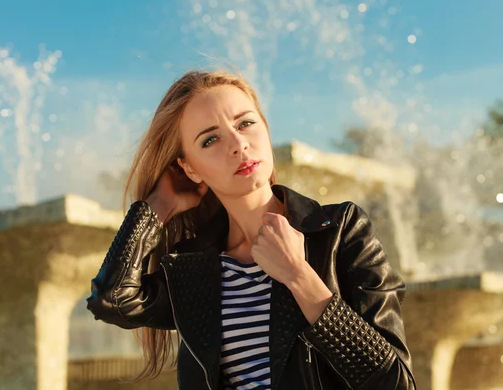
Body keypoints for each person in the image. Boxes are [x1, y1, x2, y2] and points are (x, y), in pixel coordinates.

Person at [86, 70, 416, 389]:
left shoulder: (339, 230)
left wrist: (299, 276)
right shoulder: (193, 266)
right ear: (189, 168)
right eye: (210, 139)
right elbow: (113, 300)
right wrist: (157, 206)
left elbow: (395, 381)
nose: (238, 144)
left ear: (266, 129)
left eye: (246, 123)